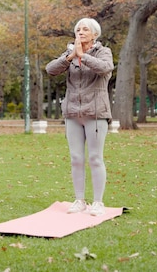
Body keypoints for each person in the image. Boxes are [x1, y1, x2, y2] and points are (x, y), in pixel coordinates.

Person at [45, 18, 114, 216]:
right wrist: (69, 57)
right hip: (73, 113)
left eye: (85, 30)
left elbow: (105, 68)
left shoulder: (103, 52)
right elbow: (50, 70)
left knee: (94, 157)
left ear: (95, 34)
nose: (81, 32)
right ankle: (79, 200)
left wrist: (83, 56)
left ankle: (98, 202)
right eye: (78, 29)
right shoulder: (69, 53)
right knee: (76, 158)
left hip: (96, 113)